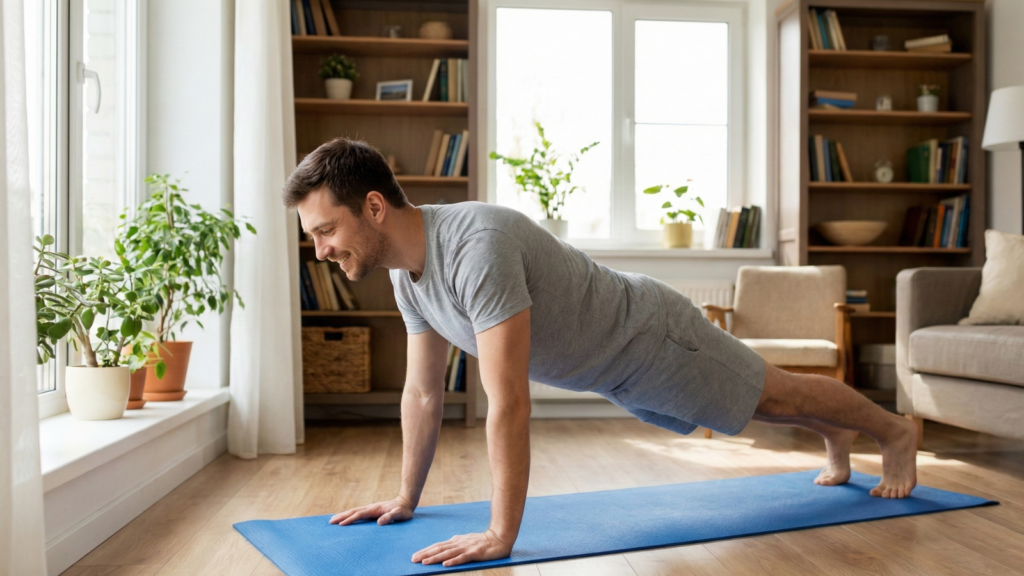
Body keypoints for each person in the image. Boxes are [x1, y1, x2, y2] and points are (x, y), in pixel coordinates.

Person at [282, 138, 918, 569]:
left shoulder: (477, 246)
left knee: (772, 393)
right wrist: (405, 499)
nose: (321, 251)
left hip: (651, 338)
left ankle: (893, 431)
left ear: (372, 206)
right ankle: (838, 435)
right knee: (757, 406)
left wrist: (503, 535)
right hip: (615, 371)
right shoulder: (404, 273)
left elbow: (507, 403)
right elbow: (422, 392)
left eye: (326, 231)